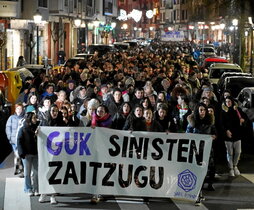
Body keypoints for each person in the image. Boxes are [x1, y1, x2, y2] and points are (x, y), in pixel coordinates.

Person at [186, 103, 216, 206]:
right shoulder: (192, 122)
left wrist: (213, 137)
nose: (202, 112)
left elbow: (215, 133)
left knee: (204, 172)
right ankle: (197, 194)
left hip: (207, 151)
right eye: (200, 110)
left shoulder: (210, 122)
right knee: (196, 172)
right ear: (197, 111)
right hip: (195, 151)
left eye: (204, 110)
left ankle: (200, 192)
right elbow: (187, 135)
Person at [220, 96, 246, 177]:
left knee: (238, 152)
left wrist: (243, 121)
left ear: (232, 102)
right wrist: (226, 131)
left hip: (237, 134)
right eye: (227, 101)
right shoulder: (223, 112)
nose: (228, 103)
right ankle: (231, 168)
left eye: (229, 101)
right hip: (228, 135)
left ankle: (235, 166)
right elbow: (221, 124)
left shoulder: (237, 110)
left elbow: (244, 120)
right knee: (230, 153)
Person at [17, 112, 39, 196]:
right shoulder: (23, 129)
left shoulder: (37, 128)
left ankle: (36, 188)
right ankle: (28, 188)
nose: (35, 119)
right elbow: (19, 141)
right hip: (26, 154)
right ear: (29, 119)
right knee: (27, 173)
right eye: (33, 118)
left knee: (36, 172)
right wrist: (22, 153)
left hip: (36, 153)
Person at [5, 103, 25, 177]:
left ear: (22, 110)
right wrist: (9, 137)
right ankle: (19, 170)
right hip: (14, 140)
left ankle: (22, 169)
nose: (19, 110)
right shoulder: (11, 117)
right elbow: (8, 128)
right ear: (15, 110)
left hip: (22, 140)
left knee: (21, 155)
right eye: (17, 109)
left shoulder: (24, 118)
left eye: (20, 109)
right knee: (17, 155)